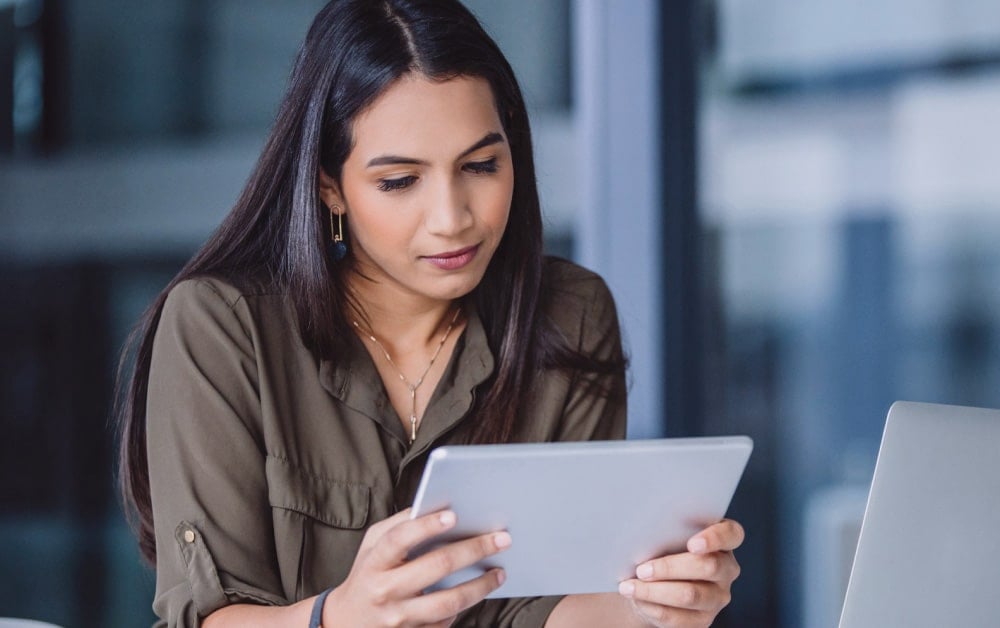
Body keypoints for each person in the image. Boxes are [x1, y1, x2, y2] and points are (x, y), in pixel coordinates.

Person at [115, 1, 744, 626]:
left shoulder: (569, 317)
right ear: (329, 184)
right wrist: (341, 617)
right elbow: (206, 615)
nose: (452, 218)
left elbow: (533, 610)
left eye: (480, 166)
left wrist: (646, 609)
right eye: (399, 181)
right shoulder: (222, 327)